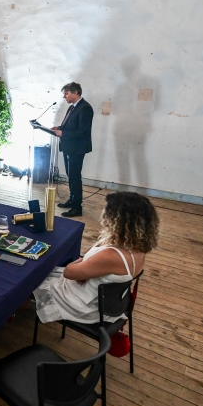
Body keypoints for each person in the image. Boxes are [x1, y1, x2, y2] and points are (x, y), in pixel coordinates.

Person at [33, 192, 157, 324]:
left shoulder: (111, 256)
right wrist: (85, 266)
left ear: (117, 219)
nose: (103, 212)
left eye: (107, 209)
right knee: (46, 272)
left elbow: (69, 272)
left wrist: (82, 266)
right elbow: (86, 255)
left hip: (88, 306)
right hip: (106, 300)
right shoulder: (136, 247)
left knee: (33, 279)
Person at [51, 82, 94, 217]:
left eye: (67, 93)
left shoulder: (85, 108)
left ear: (76, 93)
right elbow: (70, 126)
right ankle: (72, 199)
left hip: (77, 148)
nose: (65, 96)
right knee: (71, 176)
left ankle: (77, 207)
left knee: (75, 177)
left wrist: (63, 134)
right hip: (69, 146)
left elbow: (83, 131)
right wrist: (60, 128)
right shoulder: (73, 108)